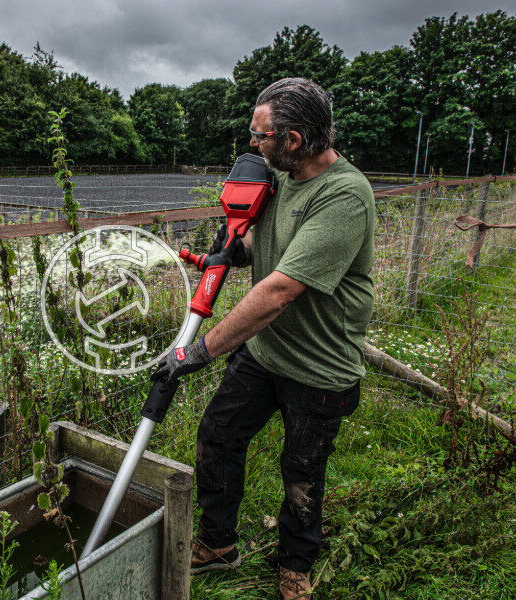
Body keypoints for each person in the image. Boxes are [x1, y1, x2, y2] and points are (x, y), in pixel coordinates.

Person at [152, 77, 375, 600]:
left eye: (260, 135)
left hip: (319, 366)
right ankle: (218, 543)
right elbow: (265, 239)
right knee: (218, 435)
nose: (252, 143)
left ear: (293, 139)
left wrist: (201, 350)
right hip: (266, 349)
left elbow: (279, 290)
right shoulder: (281, 176)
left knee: (302, 472)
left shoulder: (344, 195)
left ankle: (295, 565)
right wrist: (238, 249)